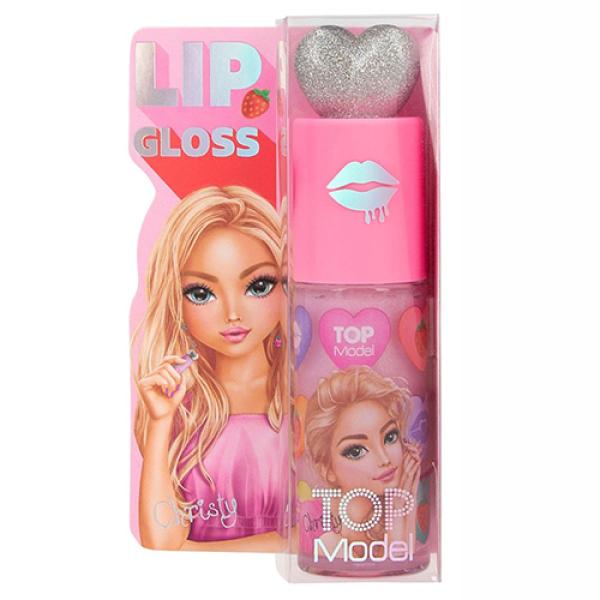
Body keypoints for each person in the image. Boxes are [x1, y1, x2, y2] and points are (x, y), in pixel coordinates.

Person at [133, 186, 287, 551]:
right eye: (201, 293)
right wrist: (160, 421)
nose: (233, 313)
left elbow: (318, 536)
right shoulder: (180, 408)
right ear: (176, 301)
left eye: (258, 285)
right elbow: (161, 542)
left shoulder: (304, 396)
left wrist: (196, 552)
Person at [303, 366, 421, 552]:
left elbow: (404, 562)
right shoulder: (313, 523)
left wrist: (401, 509)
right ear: (327, 468)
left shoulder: (401, 506)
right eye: (356, 451)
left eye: (390, 437)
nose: (384, 459)